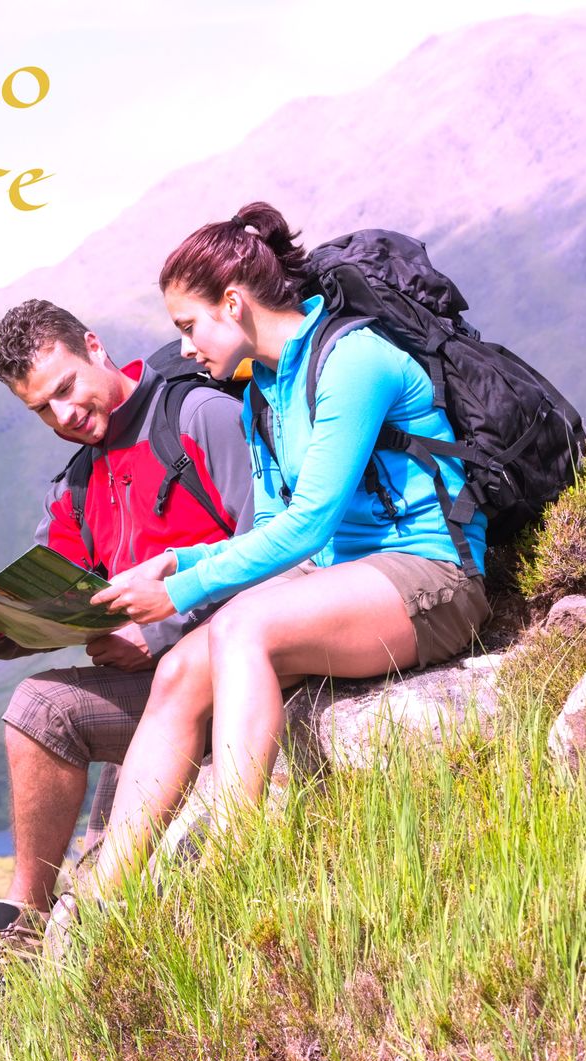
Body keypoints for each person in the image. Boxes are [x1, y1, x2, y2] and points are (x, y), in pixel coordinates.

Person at [87, 202, 492, 892]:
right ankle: (106, 901)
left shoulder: (354, 361)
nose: (184, 347)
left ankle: (240, 864)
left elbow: (309, 523)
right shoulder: (263, 393)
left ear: (234, 304)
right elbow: (273, 534)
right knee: (183, 669)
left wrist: (179, 592)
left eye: (188, 325)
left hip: (432, 576)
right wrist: (182, 562)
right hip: (345, 578)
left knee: (242, 625)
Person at [0, 298, 254, 1000]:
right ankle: (21, 933)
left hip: (246, 671)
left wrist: (164, 629)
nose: (63, 417)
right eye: (41, 411)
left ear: (93, 346)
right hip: (160, 693)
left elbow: (282, 548)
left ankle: (40, 936)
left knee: (44, 708)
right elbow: (58, 604)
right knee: (37, 707)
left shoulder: (198, 416)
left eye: (65, 390)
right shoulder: (78, 483)